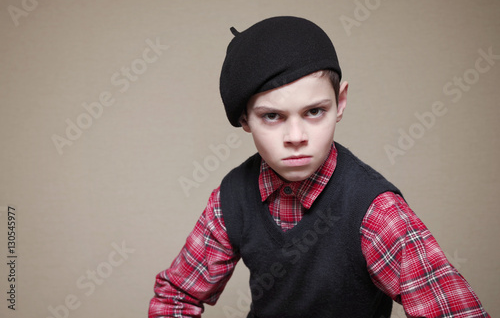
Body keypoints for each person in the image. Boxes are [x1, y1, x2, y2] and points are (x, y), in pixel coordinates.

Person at [149, 16, 490, 318]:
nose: (296, 137)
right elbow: (176, 295)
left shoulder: (374, 210)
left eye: (314, 111)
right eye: (272, 116)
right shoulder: (231, 199)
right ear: (245, 119)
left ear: (340, 103)